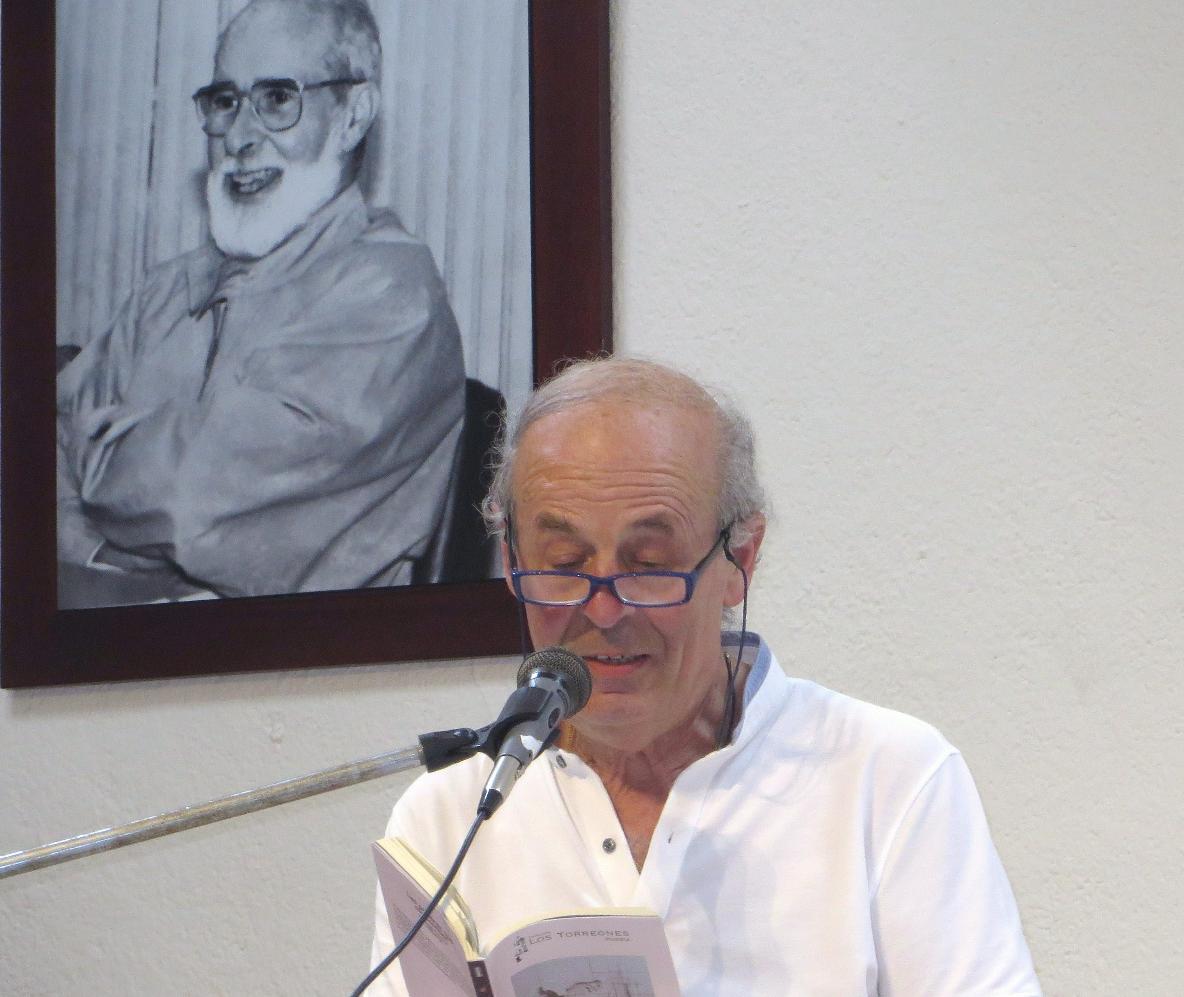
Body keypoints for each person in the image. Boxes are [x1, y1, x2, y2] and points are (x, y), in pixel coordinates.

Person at [368, 357, 1040, 995]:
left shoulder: (887, 777)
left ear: (740, 557)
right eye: (564, 562)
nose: (604, 609)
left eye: (649, 563)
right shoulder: (450, 816)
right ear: (512, 558)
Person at [55, 0, 464, 607]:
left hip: (304, 668)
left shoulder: (391, 293)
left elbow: (189, 498)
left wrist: (91, 446)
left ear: (353, 116)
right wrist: (104, 548)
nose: (241, 137)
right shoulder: (167, 289)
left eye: (277, 99)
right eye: (225, 101)